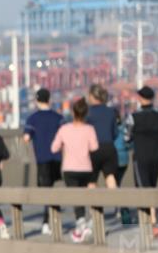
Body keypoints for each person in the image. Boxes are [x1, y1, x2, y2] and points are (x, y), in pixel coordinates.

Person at [124, 85, 158, 237]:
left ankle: (151, 223)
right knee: (151, 184)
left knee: (143, 186)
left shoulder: (134, 117)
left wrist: (132, 143)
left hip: (141, 155)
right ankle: (149, 221)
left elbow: (127, 136)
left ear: (140, 98)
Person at [51, 97, 100, 243]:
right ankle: (86, 224)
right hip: (86, 167)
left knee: (75, 198)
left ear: (73, 112)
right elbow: (94, 148)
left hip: (70, 168)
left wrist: (64, 146)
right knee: (86, 196)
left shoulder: (64, 129)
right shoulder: (90, 129)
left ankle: (81, 224)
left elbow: (53, 148)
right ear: (86, 114)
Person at [23, 88, 64, 235]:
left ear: (36, 100)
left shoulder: (32, 119)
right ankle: (54, 218)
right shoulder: (58, 117)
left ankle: (47, 222)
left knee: (46, 191)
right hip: (57, 158)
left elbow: (26, 138)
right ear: (49, 99)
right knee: (54, 189)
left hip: (42, 158)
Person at [86, 84, 119, 190]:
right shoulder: (111, 112)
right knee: (110, 176)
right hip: (109, 148)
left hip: (92, 149)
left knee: (91, 179)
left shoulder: (88, 113)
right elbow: (115, 133)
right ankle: (115, 202)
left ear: (91, 96)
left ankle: (95, 206)